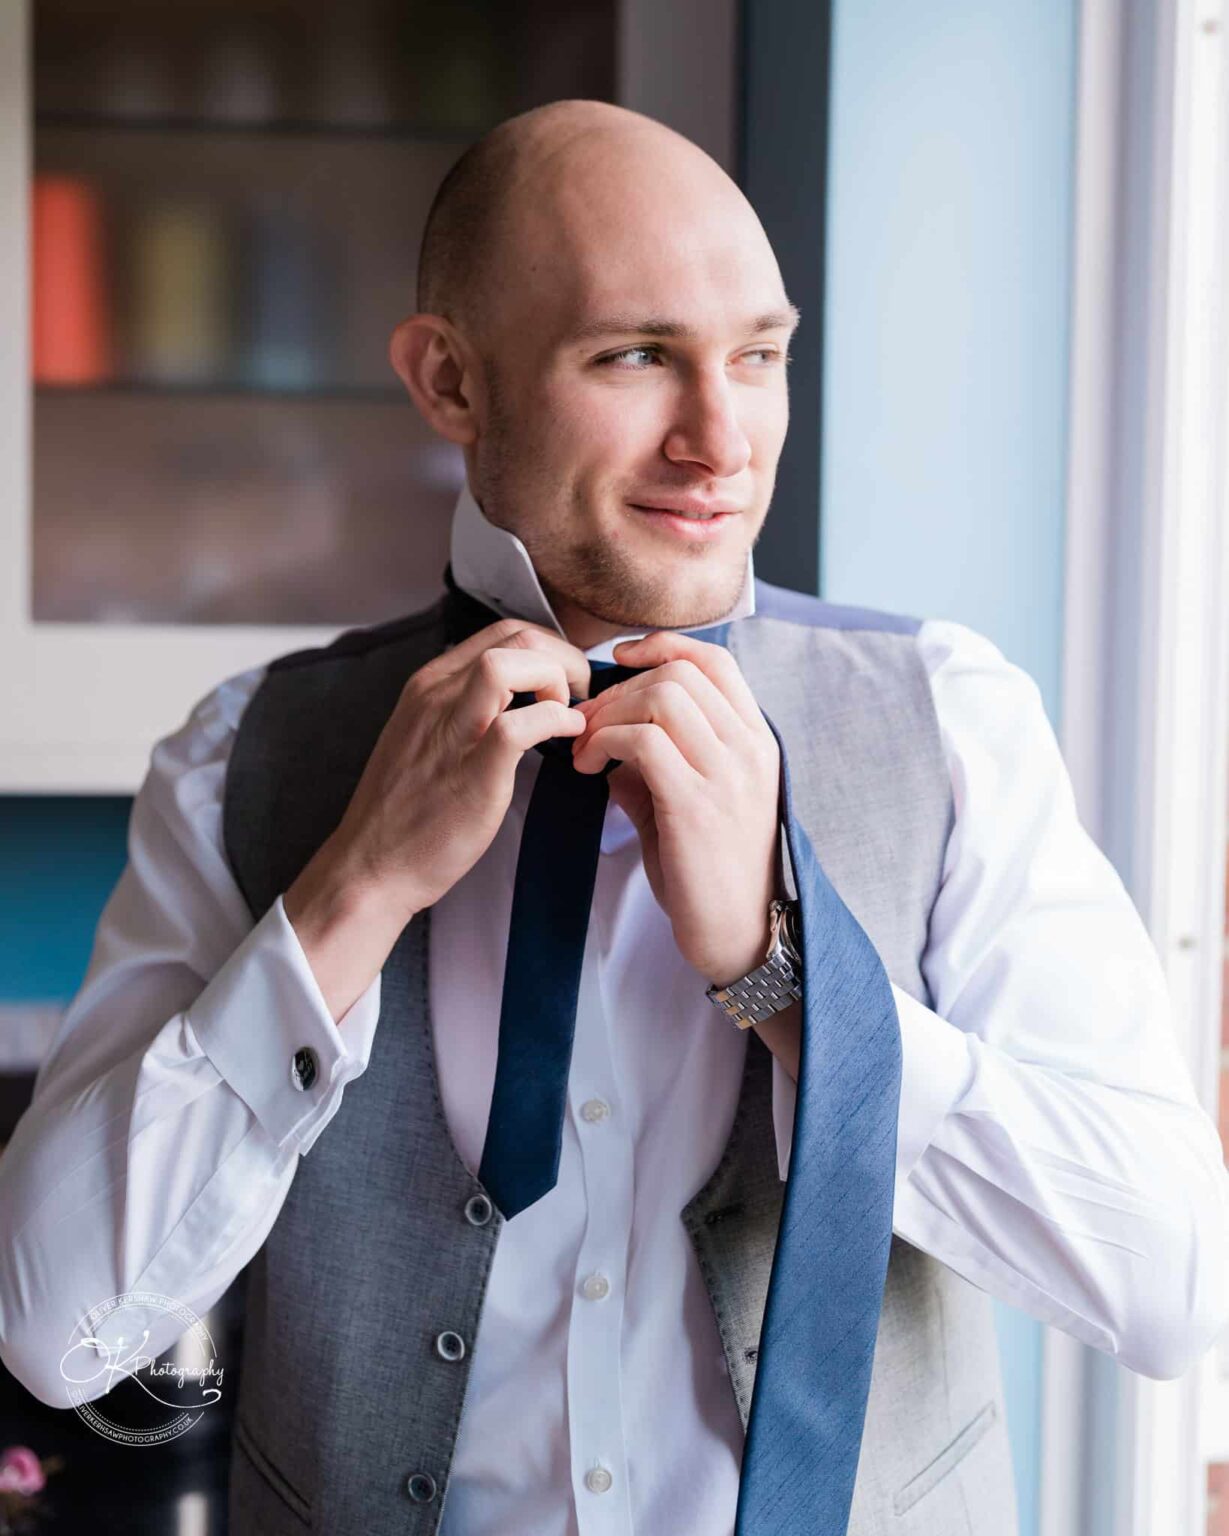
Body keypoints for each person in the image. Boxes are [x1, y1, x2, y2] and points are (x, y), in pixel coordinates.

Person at [1, 98, 1227, 1536]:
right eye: (636, 355)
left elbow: (1169, 1283)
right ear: (449, 380)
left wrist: (788, 978)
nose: (721, 440)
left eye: (758, 357)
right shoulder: (243, 757)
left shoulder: (950, 723)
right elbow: (53, 1318)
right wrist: (351, 896)